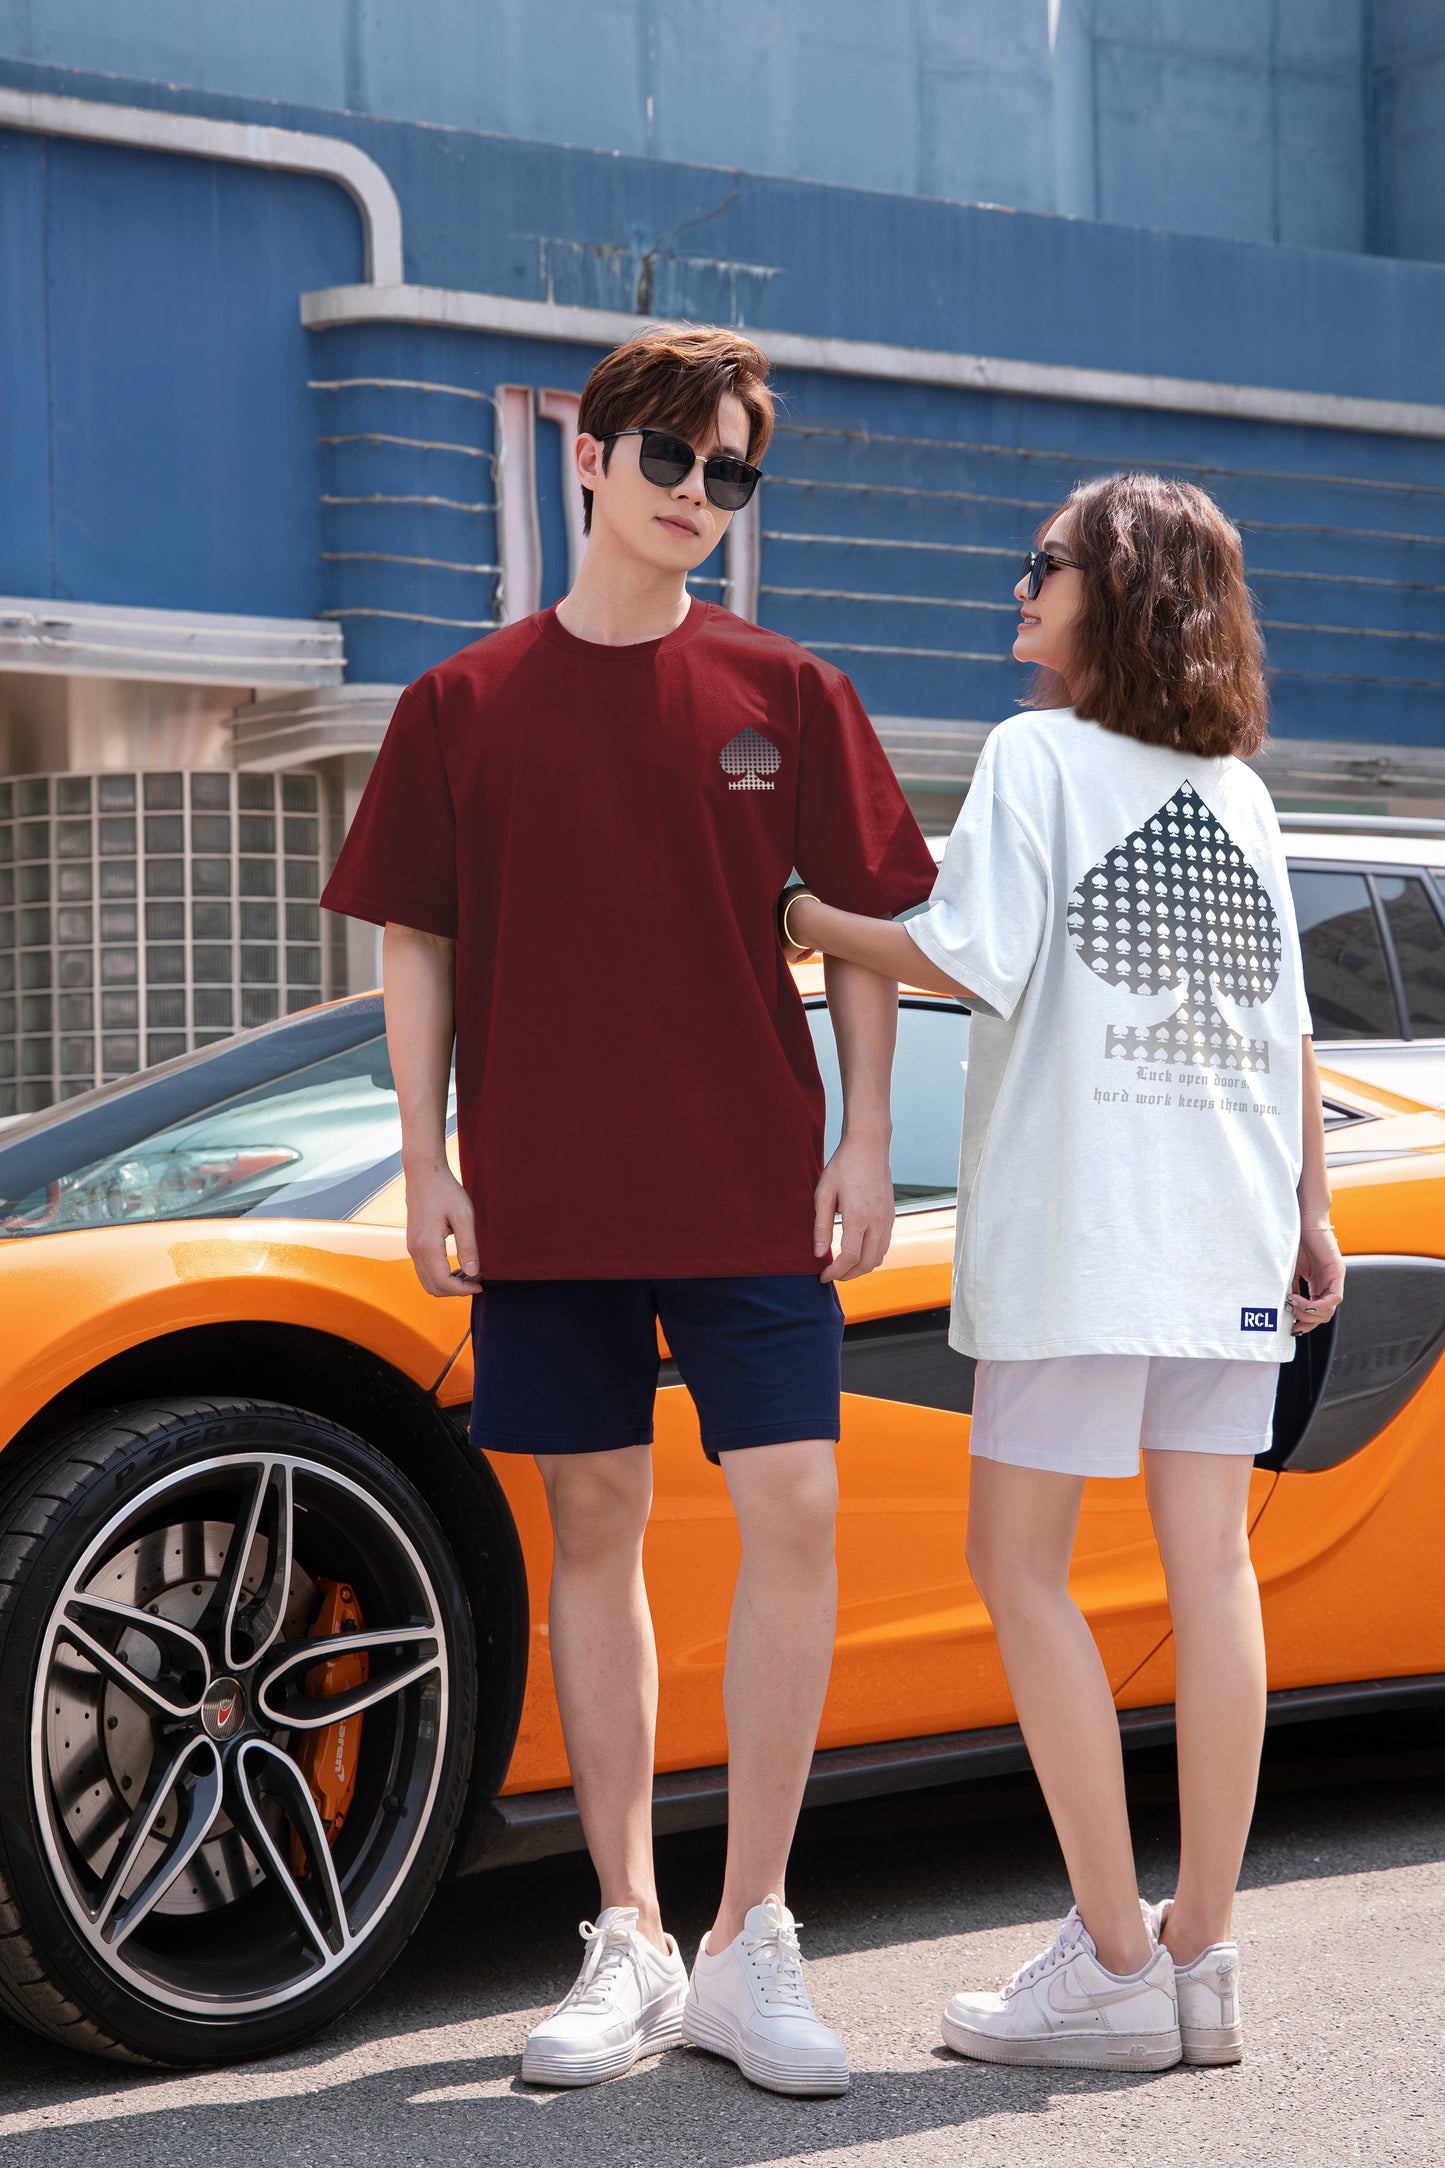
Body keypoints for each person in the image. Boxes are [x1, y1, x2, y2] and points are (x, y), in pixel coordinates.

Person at [321, 325, 937, 2096]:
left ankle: (752, 1939)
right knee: (593, 1530)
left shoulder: (788, 689)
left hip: (752, 1174)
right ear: (582, 457)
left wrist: (866, 1137)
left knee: (795, 1506)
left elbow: (866, 927)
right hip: (548, 1185)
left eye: (729, 471)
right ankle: (628, 1932)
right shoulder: (459, 703)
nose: (695, 494)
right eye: (667, 457)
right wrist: (429, 1159)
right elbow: (417, 939)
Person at [781, 470, 1345, 2073]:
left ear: (1121, 590)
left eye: (1045, 562)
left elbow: (965, 956)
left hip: (1089, 1229)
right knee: (1210, 1569)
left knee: (1018, 1562)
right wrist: (1307, 1211)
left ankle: (1109, 1959)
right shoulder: (1235, 792)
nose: (1017, 586)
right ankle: (1200, 1958)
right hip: (1227, 1227)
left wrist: (803, 912)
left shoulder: (1034, 754)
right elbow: (1287, 1030)